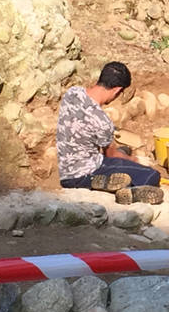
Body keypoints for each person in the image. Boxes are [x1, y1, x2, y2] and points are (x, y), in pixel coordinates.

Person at [56, 61, 163, 204]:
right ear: (117, 90)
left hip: (66, 170)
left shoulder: (72, 93)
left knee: (124, 151)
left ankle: (107, 183)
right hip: (85, 172)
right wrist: (136, 160)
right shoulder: (102, 121)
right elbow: (110, 154)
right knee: (152, 175)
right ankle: (123, 192)